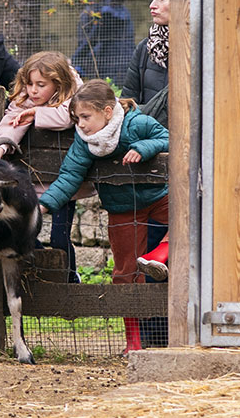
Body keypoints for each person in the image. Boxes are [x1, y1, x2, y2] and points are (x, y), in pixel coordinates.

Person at [37, 79, 169, 353]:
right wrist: (43, 205)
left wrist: (144, 148)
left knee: (189, 222)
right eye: (77, 119)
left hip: (159, 198)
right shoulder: (84, 141)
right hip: (122, 209)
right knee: (125, 272)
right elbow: (69, 176)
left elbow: (169, 138)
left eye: (86, 117)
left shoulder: (137, 123)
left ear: (108, 112)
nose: (81, 124)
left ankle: (160, 254)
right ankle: (133, 343)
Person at [0, 51, 82, 282]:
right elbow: (11, 123)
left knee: (60, 238)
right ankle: (44, 277)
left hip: (64, 187)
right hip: (34, 184)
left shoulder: (74, 94)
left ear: (58, 83)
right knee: (25, 232)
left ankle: (70, 279)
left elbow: (67, 116)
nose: (33, 90)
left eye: (41, 85)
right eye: (30, 84)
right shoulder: (25, 98)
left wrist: (37, 114)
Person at [125, 0, 171, 346]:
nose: (152, 4)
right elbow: (130, 100)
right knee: (151, 249)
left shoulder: (204, 44)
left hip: (195, 160)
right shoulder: (145, 50)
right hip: (153, 165)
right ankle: (156, 337)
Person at [71, 0, 135, 86]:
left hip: (113, 60)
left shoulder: (107, 12)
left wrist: (75, 58)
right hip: (124, 57)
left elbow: (93, 38)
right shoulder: (120, 9)